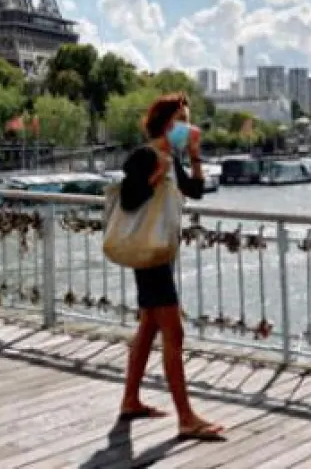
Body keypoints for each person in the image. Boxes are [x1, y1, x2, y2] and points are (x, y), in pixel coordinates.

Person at [116, 93, 224, 442]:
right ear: (167, 123)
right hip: (150, 255)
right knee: (174, 332)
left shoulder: (170, 157)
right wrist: (154, 177)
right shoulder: (147, 156)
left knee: (149, 326)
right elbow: (129, 198)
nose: (188, 126)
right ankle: (186, 417)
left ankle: (130, 400)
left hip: (162, 251)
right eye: (183, 119)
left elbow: (196, 191)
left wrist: (194, 158)